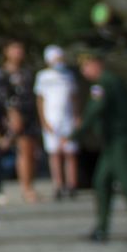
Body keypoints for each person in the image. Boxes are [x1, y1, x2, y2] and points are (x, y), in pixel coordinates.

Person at [77, 50, 127, 243]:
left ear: (96, 64)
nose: (84, 71)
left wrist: (76, 134)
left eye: (86, 66)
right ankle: (102, 228)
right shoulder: (111, 81)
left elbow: (95, 110)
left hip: (119, 142)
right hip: (112, 142)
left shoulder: (104, 83)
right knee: (101, 182)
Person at [0, 39, 41, 204]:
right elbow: (3, 97)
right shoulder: (3, 73)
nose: (18, 53)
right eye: (14, 49)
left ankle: (30, 184)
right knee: (23, 150)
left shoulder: (27, 72)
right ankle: (26, 187)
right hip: (16, 114)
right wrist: (12, 115)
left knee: (32, 151)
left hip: (30, 114)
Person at [35, 46, 81, 200]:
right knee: (55, 153)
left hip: (67, 118)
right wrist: (43, 120)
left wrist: (76, 116)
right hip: (51, 118)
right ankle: (58, 185)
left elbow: (74, 98)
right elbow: (40, 100)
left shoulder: (69, 75)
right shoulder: (43, 76)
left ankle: (72, 185)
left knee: (70, 152)